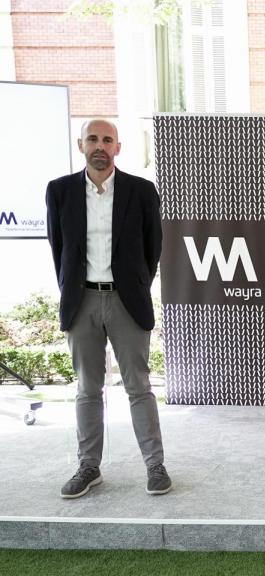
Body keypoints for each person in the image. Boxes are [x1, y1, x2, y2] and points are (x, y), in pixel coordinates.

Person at [45, 119, 170, 498]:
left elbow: (153, 249)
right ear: (80, 143)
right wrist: (73, 291)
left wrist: (133, 287)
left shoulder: (141, 191)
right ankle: (88, 467)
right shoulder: (60, 191)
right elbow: (59, 249)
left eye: (107, 140)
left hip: (125, 301)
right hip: (81, 300)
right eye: (93, 139)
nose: (100, 146)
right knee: (87, 389)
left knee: (139, 387)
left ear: (118, 147)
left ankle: (155, 465)